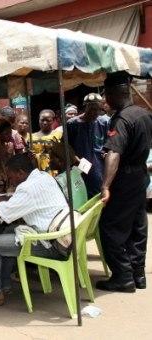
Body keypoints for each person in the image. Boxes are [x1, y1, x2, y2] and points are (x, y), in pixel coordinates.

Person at [0, 153, 67, 306]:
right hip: (59, 235)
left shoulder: (27, 188)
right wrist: (2, 200)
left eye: (11, 176)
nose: (10, 180)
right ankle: (4, 285)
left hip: (50, 245)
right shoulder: (43, 176)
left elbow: (3, 212)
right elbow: (19, 201)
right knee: (10, 230)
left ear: (21, 173)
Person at [96, 72, 152, 292]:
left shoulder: (121, 119)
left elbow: (114, 153)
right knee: (138, 226)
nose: (105, 100)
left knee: (110, 227)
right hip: (140, 177)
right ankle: (138, 274)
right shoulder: (144, 114)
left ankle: (123, 276)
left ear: (113, 93)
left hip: (125, 179)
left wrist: (105, 185)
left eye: (106, 95)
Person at [66, 93, 109, 198]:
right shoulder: (72, 124)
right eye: (91, 108)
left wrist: (107, 153)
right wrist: (74, 158)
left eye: (97, 109)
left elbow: (110, 143)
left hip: (100, 168)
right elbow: (66, 145)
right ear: (85, 107)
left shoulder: (104, 122)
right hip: (79, 167)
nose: (94, 112)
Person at [49, 142, 88, 210]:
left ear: (60, 161)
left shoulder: (59, 180)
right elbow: (88, 166)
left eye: (51, 158)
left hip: (74, 216)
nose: (49, 161)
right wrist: (73, 158)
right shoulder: (76, 170)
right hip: (84, 211)